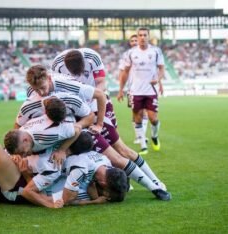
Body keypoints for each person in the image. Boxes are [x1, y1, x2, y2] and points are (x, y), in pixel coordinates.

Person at [25, 65, 170, 201]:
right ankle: (119, 180)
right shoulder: (34, 93)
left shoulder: (66, 87)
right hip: (79, 119)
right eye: (37, 90)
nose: (41, 93)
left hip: (95, 112)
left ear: (49, 79)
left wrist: (99, 124)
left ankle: (155, 185)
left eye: (43, 88)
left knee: (120, 153)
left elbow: (100, 95)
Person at [117, 27, 165, 155]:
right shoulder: (130, 53)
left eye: (145, 35)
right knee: (137, 118)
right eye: (140, 35)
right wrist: (121, 89)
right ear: (137, 37)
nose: (142, 37)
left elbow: (161, 68)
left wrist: (158, 79)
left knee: (153, 118)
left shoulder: (156, 51)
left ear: (148, 36)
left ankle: (154, 136)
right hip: (135, 91)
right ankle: (143, 145)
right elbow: (125, 71)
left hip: (150, 90)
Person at [118, 35, 149, 145]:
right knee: (135, 113)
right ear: (130, 43)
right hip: (132, 88)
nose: (135, 42)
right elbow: (122, 72)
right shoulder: (126, 55)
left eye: (136, 40)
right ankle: (139, 136)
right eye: (132, 41)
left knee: (145, 111)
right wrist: (120, 89)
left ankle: (142, 137)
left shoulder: (147, 54)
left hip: (146, 88)